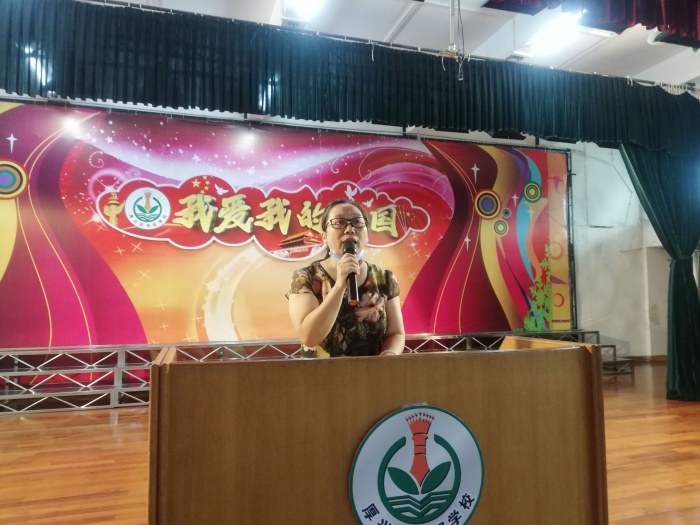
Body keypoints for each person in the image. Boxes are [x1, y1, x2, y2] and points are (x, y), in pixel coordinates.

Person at [287, 199, 406, 358]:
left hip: (373, 372)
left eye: (357, 222)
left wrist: (389, 354)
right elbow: (309, 337)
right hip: (319, 373)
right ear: (324, 236)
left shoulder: (384, 278)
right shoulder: (305, 277)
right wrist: (339, 286)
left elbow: (396, 333)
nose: (350, 229)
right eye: (339, 222)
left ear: (367, 235)